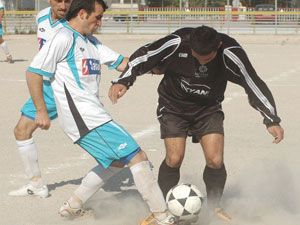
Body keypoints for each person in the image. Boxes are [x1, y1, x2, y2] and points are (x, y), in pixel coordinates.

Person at [109, 26, 285, 222]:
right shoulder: (178, 42)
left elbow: (252, 81)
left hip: (208, 109)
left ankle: (214, 207)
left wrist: (271, 119)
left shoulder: (230, 52)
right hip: (173, 106)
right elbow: (145, 55)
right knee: (174, 158)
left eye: (207, 58)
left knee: (215, 160)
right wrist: (124, 81)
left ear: (217, 46)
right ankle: (160, 208)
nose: (201, 62)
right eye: (196, 56)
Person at [26, 0, 176, 224]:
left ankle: (71, 207)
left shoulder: (91, 42)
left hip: (93, 115)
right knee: (137, 156)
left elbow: (123, 63)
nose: (100, 22)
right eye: (98, 17)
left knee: (115, 162)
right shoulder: (63, 37)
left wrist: (158, 67)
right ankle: (162, 216)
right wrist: (41, 110)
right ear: (83, 14)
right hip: (84, 117)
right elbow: (33, 72)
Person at [9, 0, 72, 198]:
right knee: (22, 130)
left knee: (88, 135)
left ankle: (130, 161)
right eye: (58, 0)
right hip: (44, 85)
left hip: (61, 86)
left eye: (68, 1)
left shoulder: (73, 24)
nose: (63, 5)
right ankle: (36, 184)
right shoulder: (42, 16)